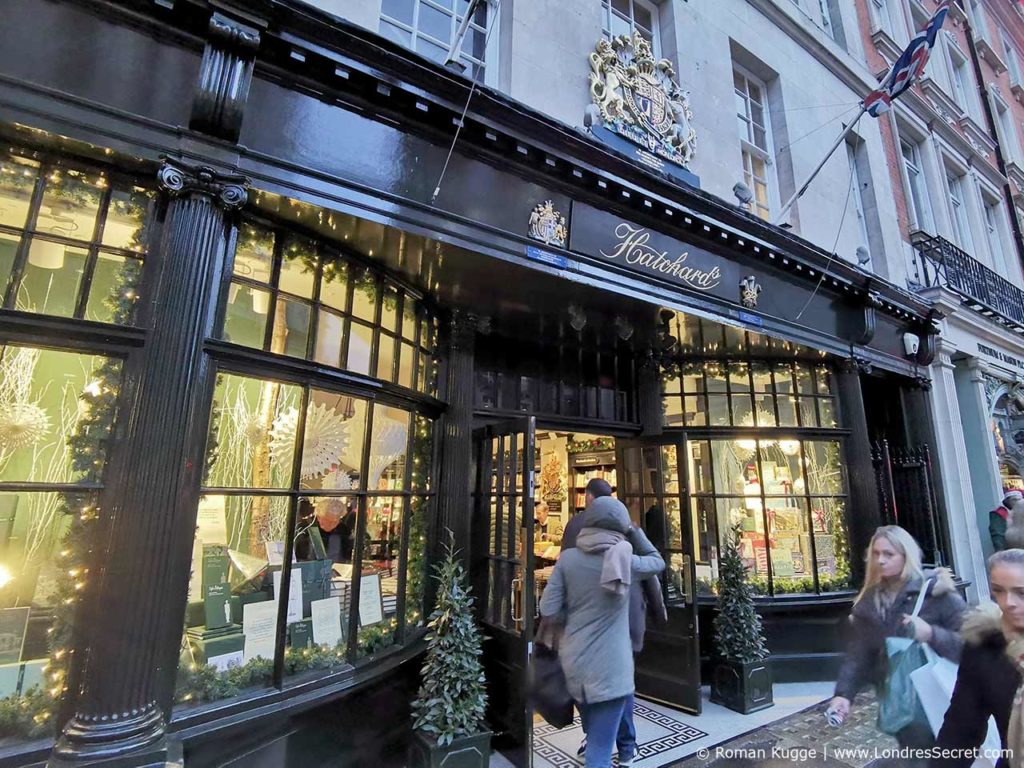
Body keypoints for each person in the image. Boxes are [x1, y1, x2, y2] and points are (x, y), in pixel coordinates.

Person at [539, 496, 665, 768]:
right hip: (612, 667)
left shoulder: (568, 560)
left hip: (575, 662)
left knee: (594, 732)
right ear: (619, 525)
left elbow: (547, 606)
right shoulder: (624, 558)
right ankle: (626, 749)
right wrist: (634, 531)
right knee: (600, 747)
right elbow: (657, 561)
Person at [828, 525, 966, 759]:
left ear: (906, 556)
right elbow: (859, 653)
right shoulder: (870, 602)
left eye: (889, 554)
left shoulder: (936, 593)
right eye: (876, 553)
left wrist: (931, 633)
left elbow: (973, 647)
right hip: (901, 703)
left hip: (943, 696)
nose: (881, 560)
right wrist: (844, 694)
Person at [932, 549, 1024, 768]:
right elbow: (961, 731)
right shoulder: (985, 649)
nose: (1008, 602)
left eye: (1021, 592)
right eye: (999, 591)